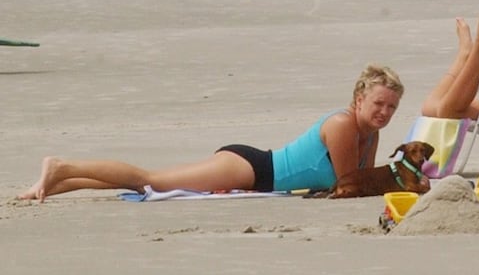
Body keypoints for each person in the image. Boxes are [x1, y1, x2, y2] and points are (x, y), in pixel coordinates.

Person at [18, 65, 405, 202]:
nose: (384, 113)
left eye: (391, 107)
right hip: (250, 170)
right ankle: (61, 164)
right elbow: (350, 185)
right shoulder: (342, 125)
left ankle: (59, 183)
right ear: (358, 98)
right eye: (379, 104)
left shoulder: (367, 133)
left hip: (256, 171)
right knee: (148, 180)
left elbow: (362, 183)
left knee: (151, 186)